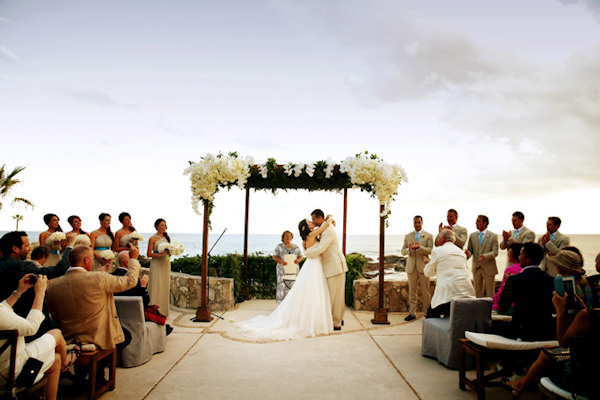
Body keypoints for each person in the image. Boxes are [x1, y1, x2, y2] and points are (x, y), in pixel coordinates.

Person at [236, 216, 335, 340]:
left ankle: (313, 319)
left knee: (312, 292)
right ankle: (312, 321)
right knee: (313, 291)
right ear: (306, 227)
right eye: (310, 222)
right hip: (314, 265)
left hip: (313, 264)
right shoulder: (311, 235)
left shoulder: (308, 237)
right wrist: (330, 218)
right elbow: (325, 226)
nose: (312, 222)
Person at [46, 245, 139, 350]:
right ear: (86, 260)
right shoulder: (99, 278)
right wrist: (133, 259)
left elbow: (54, 315)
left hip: (68, 337)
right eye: (92, 258)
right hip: (97, 336)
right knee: (125, 336)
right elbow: (130, 281)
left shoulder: (53, 285)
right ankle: (99, 364)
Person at [505, 293, 598, 399]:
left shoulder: (586, 316)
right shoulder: (589, 315)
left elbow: (563, 342)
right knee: (549, 351)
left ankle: (521, 384)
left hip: (582, 382)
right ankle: (521, 384)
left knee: (547, 355)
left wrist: (560, 310)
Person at [0, 274, 70, 400]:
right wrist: (40, 293)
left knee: (56, 359)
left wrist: (19, 292)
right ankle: (66, 364)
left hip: (7, 364)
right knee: (56, 334)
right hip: (10, 374)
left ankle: (63, 364)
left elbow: (3, 308)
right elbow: (31, 327)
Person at [0, 231, 75, 340]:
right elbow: (59, 270)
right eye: (26, 246)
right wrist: (69, 246)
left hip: (7, 326)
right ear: (15, 249)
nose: (30, 249)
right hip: (30, 325)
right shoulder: (23, 266)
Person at [488, 243, 556, 341]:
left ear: (527, 260)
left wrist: (506, 285)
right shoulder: (551, 280)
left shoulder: (515, 280)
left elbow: (503, 306)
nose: (519, 257)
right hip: (546, 330)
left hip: (522, 330)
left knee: (489, 330)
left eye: (521, 254)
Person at [305, 209, 348, 331]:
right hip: (331, 266)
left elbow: (321, 249)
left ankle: (336, 322)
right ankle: (339, 318)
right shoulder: (324, 228)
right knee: (335, 295)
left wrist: (307, 253)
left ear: (319, 218)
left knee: (336, 296)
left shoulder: (327, 231)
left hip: (335, 266)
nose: (313, 222)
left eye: (314, 219)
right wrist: (330, 217)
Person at [423, 229, 475, 318]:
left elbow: (428, 273)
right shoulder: (461, 253)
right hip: (466, 294)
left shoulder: (437, 251)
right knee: (450, 317)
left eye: (438, 238)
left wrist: (428, 264)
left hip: (446, 295)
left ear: (443, 238)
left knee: (431, 316)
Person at [401, 215, 433, 321]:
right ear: (413, 223)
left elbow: (430, 250)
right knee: (412, 291)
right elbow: (402, 251)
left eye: (419, 222)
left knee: (425, 291)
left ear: (422, 223)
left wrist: (420, 248)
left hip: (423, 267)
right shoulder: (408, 236)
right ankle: (412, 313)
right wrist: (409, 250)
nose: (417, 224)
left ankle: (427, 313)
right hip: (411, 267)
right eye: (415, 223)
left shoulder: (428, 236)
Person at [466, 215, 499, 298]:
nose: (476, 223)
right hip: (477, 268)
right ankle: (478, 310)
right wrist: (467, 254)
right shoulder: (472, 236)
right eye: (476, 221)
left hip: (489, 268)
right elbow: (470, 250)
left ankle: (491, 310)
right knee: (477, 292)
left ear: (485, 223)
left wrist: (484, 256)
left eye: (478, 221)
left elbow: (495, 252)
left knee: (490, 292)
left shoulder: (493, 236)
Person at [147, 219, 171, 316]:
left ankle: (164, 310)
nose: (163, 227)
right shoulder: (152, 238)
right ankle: (153, 308)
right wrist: (160, 255)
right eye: (161, 225)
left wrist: (170, 253)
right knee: (156, 284)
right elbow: (148, 254)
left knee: (164, 285)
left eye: (165, 225)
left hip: (165, 263)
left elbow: (168, 252)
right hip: (156, 262)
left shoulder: (167, 238)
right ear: (156, 226)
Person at [492, 243, 523, 313]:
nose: (508, 254)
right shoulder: (525, 269)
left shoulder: (510, 269)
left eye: (510, 253)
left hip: (509, 306)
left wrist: (490, 300)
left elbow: (502, 291)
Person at [272, 230, 303, 303]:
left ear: (292, 237)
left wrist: (298, 260)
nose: (288, 237)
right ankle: (281, 302)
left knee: (293, 284)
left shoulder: (296, 247)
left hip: (293, 268)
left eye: (289, 236)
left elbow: (300, 256)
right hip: (282, 269)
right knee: (281, 285)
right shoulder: (279, 246)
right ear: (283, 238)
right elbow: (275, 257)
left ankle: (293, 302)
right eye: (286, 236)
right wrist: (281, 262)